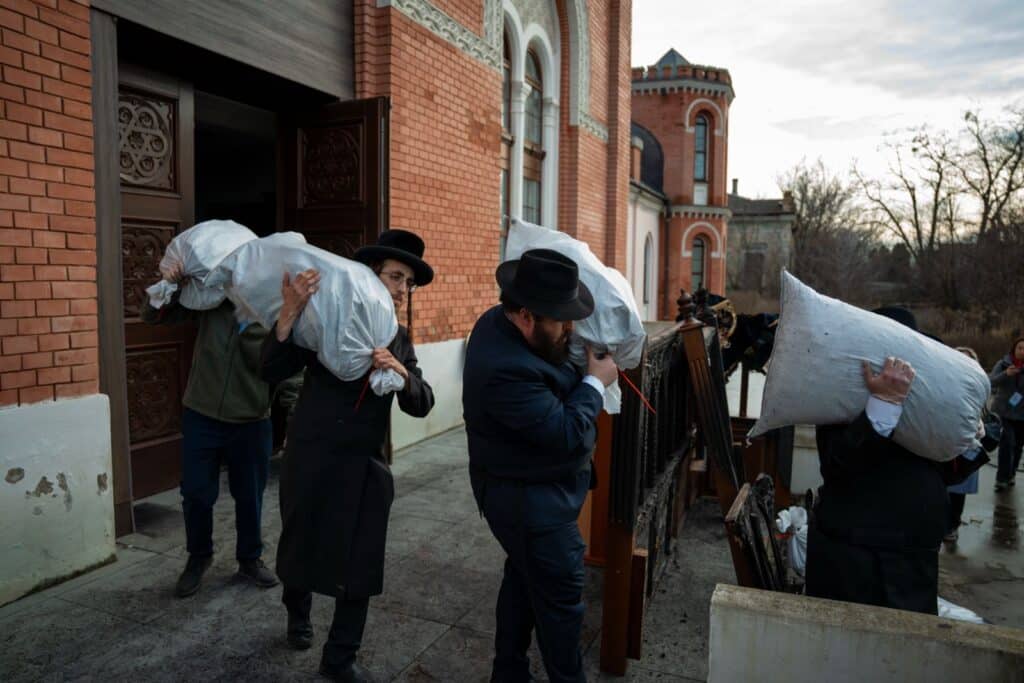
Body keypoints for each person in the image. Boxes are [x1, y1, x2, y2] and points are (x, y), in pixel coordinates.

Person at [260, 229, 435, 683]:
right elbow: (271, 370)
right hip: (311, 454)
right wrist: (289, 313)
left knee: (361, 562)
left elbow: (422, 401)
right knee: (301, 544)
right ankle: (297, 616)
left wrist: (402, 374)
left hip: (364, 466)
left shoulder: (398, 338)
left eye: (407, 283)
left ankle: (340, 657)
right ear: (369, 278)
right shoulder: (323, 320)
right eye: (395, 277)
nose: (401, 290)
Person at [462, 249, 618, 683]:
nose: (569, 329)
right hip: (529, 505)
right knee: (561, 604)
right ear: (527, 316)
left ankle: (507, 673)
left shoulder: (503, 322)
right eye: (560, 320)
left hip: (525, 493)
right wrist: (594, 384)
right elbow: (569, 436)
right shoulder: (504, 368)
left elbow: (553, 380)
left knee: (524, 580)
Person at [143, 265, 279, 598]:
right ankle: (198, 556)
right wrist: (170, 284)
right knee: (196, 492)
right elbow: (152, 315)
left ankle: (250, 558)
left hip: (251, 418)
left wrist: (291, 412)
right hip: (202, 413)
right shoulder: (210, 301)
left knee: (249, 494)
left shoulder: (274, 311)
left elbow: (286, 365)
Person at [805, 307, 949, 615]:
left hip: (913, 559)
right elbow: (837, 466)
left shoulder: (932, 404)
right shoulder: (840, 398)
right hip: (856, 559)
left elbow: (946, 473)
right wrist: (882, 405)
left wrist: (977, 440)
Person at [945, 347, 996, 542]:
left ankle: (952, 525)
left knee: (958, 490)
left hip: (966, 444)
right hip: (944, 441)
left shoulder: (978, 386)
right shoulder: (941, 381)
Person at [990, 337, 1024, 492]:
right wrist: (1006, 374)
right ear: (1014, 349)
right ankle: (1001, 478)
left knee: (1018, 446)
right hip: (1004, 412)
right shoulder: (1003, 364)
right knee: (1007, 444)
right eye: (1020, 348)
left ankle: (1011, 473)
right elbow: (990, 382)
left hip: (1022, 414)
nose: (1022, 352)